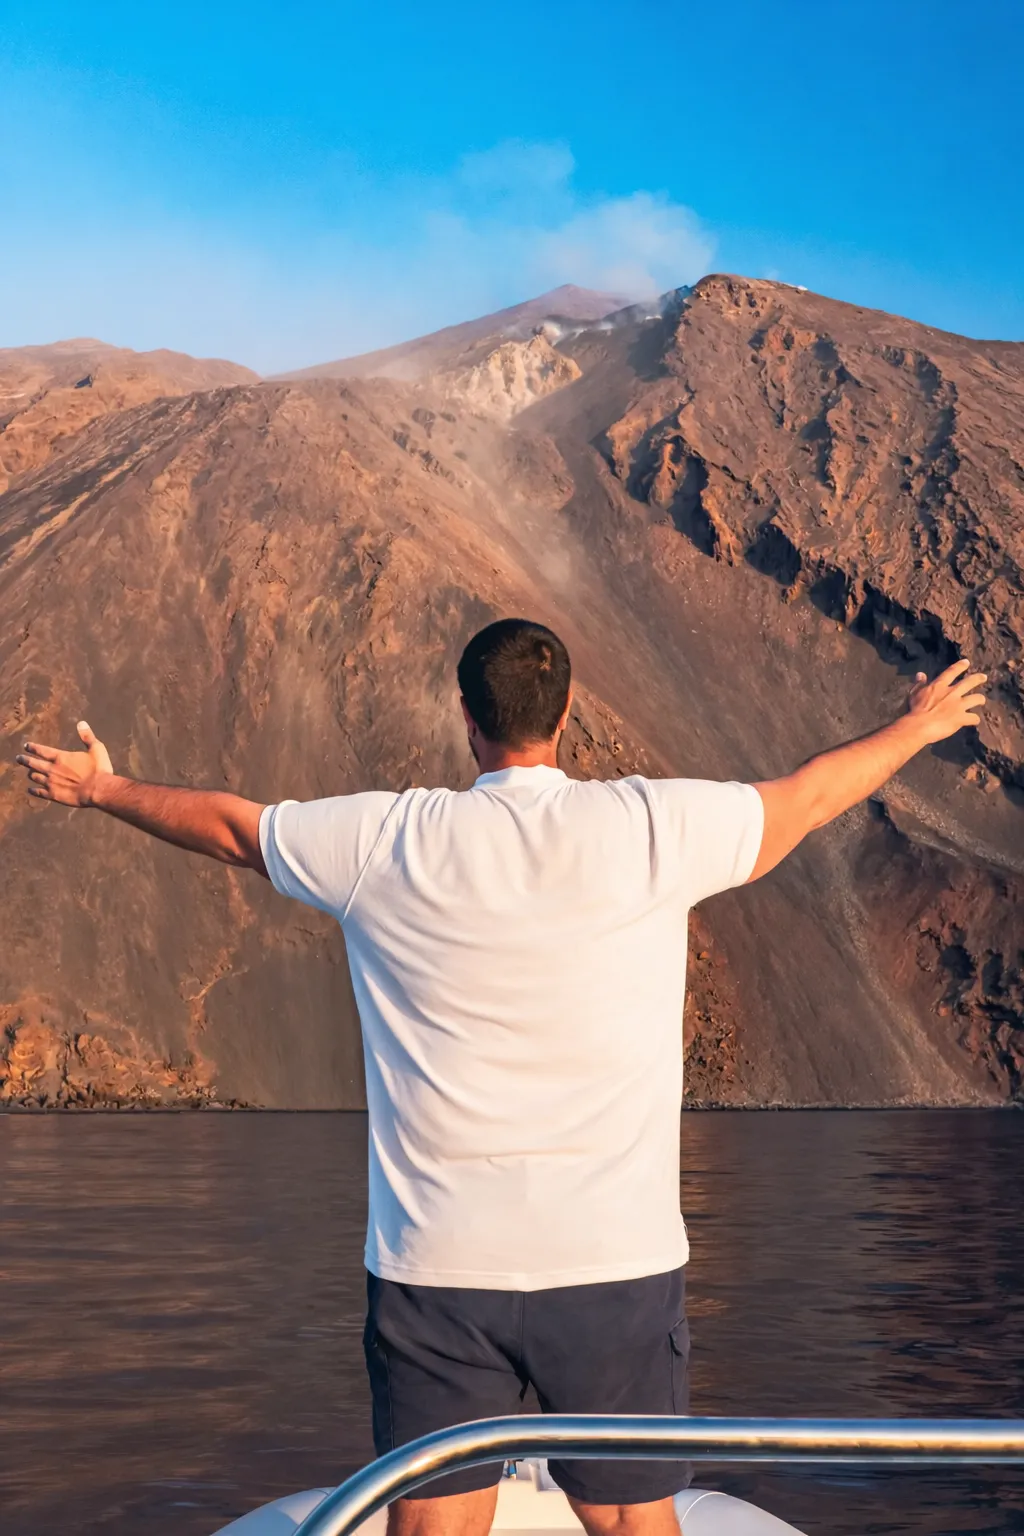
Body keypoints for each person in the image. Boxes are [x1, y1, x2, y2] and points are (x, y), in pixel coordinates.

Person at [17, 618, 986, 1536]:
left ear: (465, 717)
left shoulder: (384, 841)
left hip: (438, 1267)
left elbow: (232, 827)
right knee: (632, 1520)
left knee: (430, 1520)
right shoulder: (653, 825)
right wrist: (914, 725)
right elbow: (811, 793)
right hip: (613, 1263)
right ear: (565, 716)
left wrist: (102, 789)